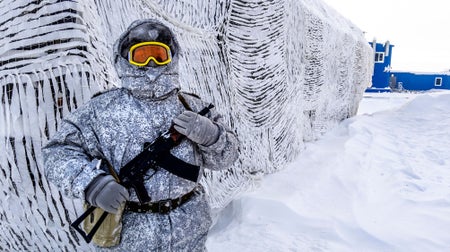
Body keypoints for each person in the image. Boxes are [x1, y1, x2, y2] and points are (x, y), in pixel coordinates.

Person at [43, 19, 239, 251]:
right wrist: (92, 184)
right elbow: (57, 153)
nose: (151, 64)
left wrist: (213, 136)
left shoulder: (193, 106)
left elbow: (226, 159)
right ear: (125, 59)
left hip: (190, 231)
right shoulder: (100, 110)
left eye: (159, 54)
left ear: (172, 57)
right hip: (129, 237)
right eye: (142, 55)